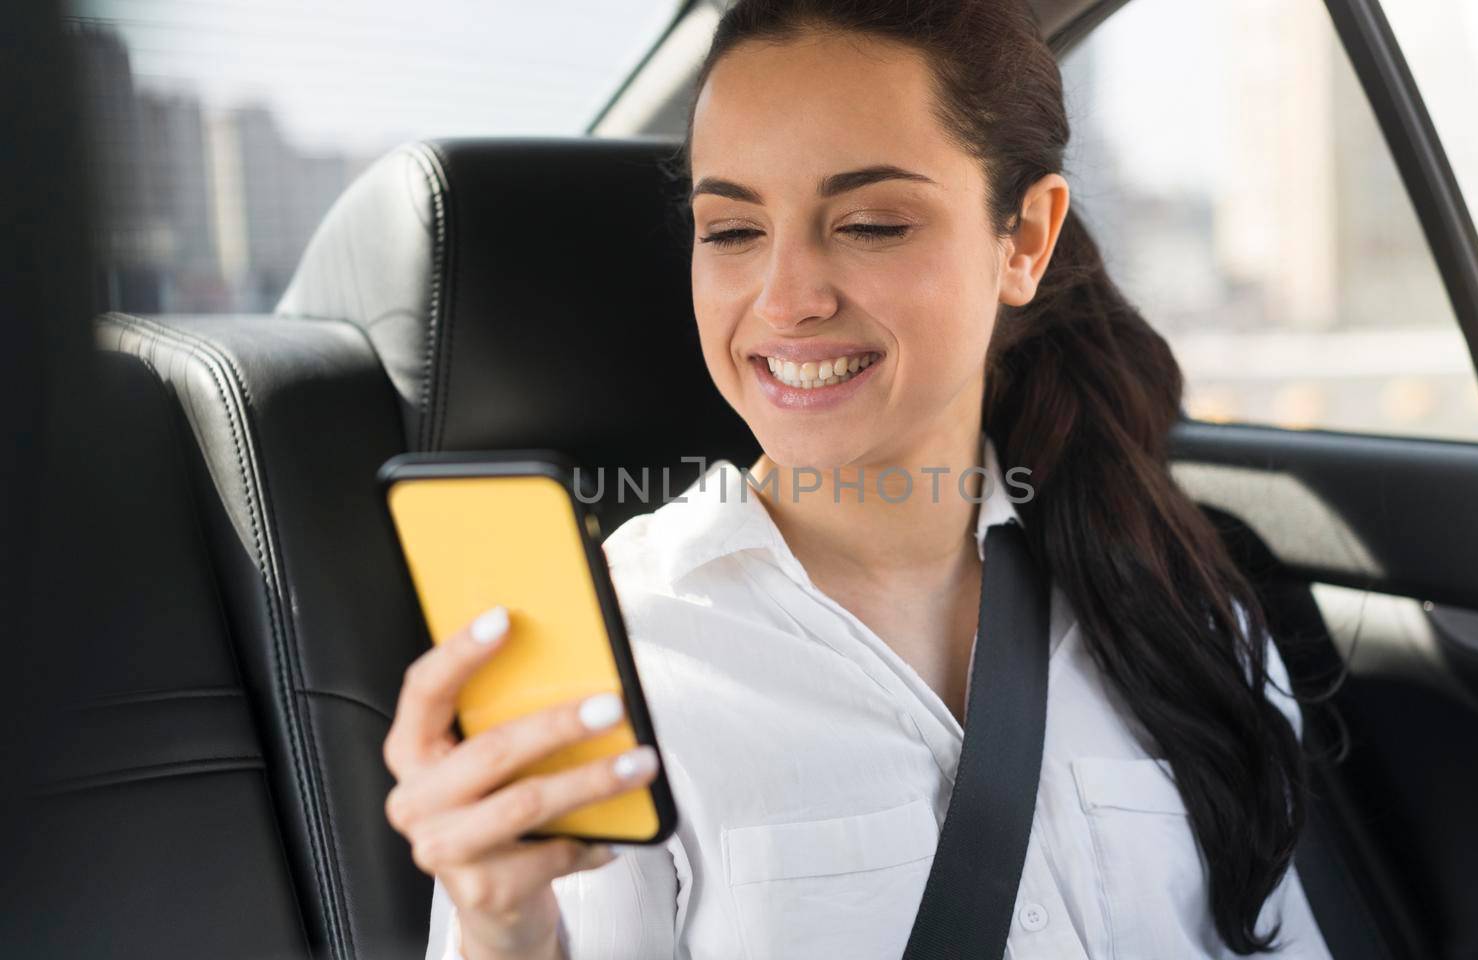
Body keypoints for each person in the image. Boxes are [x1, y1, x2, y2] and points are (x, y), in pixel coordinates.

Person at [383, 0, 1335, 957]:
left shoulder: (1183, 605)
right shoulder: (617, 650)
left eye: (873, 224)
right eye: (731, 231)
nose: (787, 299)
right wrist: (504, 929)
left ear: (1025, 241)